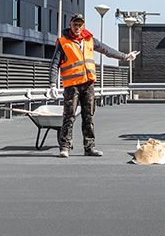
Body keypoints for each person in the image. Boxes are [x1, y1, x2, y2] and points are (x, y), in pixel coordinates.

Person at [48, 13, 137, 158]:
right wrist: (52, 84)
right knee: (69, 117)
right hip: (72, 86)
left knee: (88, 117)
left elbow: (106, 50)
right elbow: (54, 64)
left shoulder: (89, 40)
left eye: (80, 25)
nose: (77, 27)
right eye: (75, 24)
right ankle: (64, 147)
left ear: (83, 26)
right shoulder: (63, 42)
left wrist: (125, 56)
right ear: (70, 25)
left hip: (88, 84)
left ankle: (89, 147)